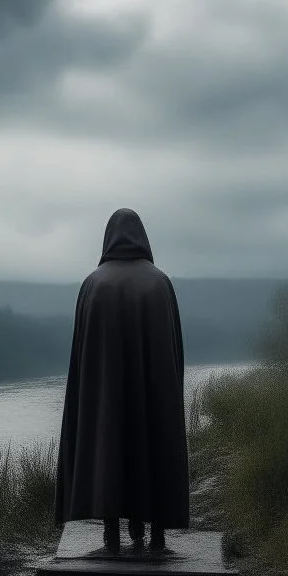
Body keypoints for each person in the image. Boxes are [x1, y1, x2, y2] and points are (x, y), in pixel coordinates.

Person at [54, 208, 190, 553]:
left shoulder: (93, 284)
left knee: (108, 446)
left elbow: (82, 362)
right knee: (153, 443)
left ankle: (111, 533)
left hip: (105, 398)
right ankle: (156, 533)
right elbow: (173, 354)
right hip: (153, 394)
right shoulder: (159, 283)